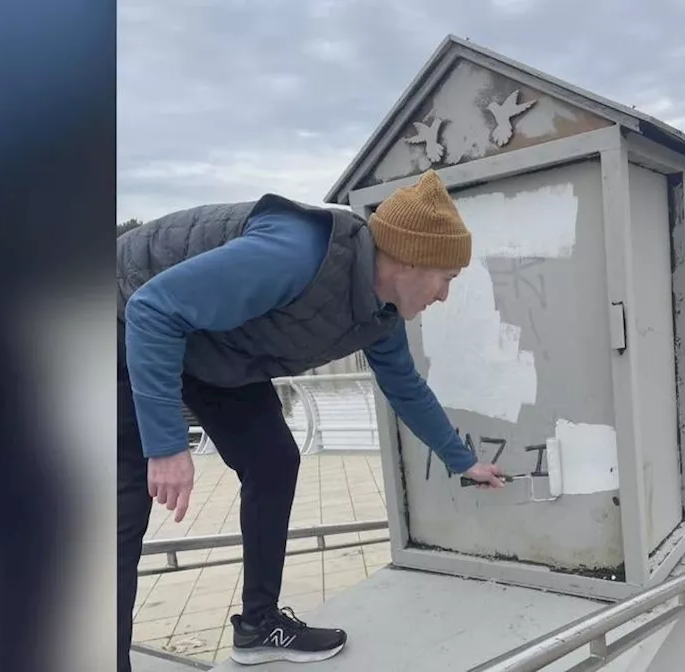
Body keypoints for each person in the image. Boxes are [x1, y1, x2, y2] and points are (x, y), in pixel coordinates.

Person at [116, 169, 508, 669]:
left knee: (274, 459)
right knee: (124, 510)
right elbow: (153, 311)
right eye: (447, 279)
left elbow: (404, 386)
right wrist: (167, 444)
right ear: (412, 260)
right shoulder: (295, 256)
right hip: (126, 322)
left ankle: (259, 625)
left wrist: (463, 461)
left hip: (212, 346)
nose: (444, 296)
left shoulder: (380, 313)